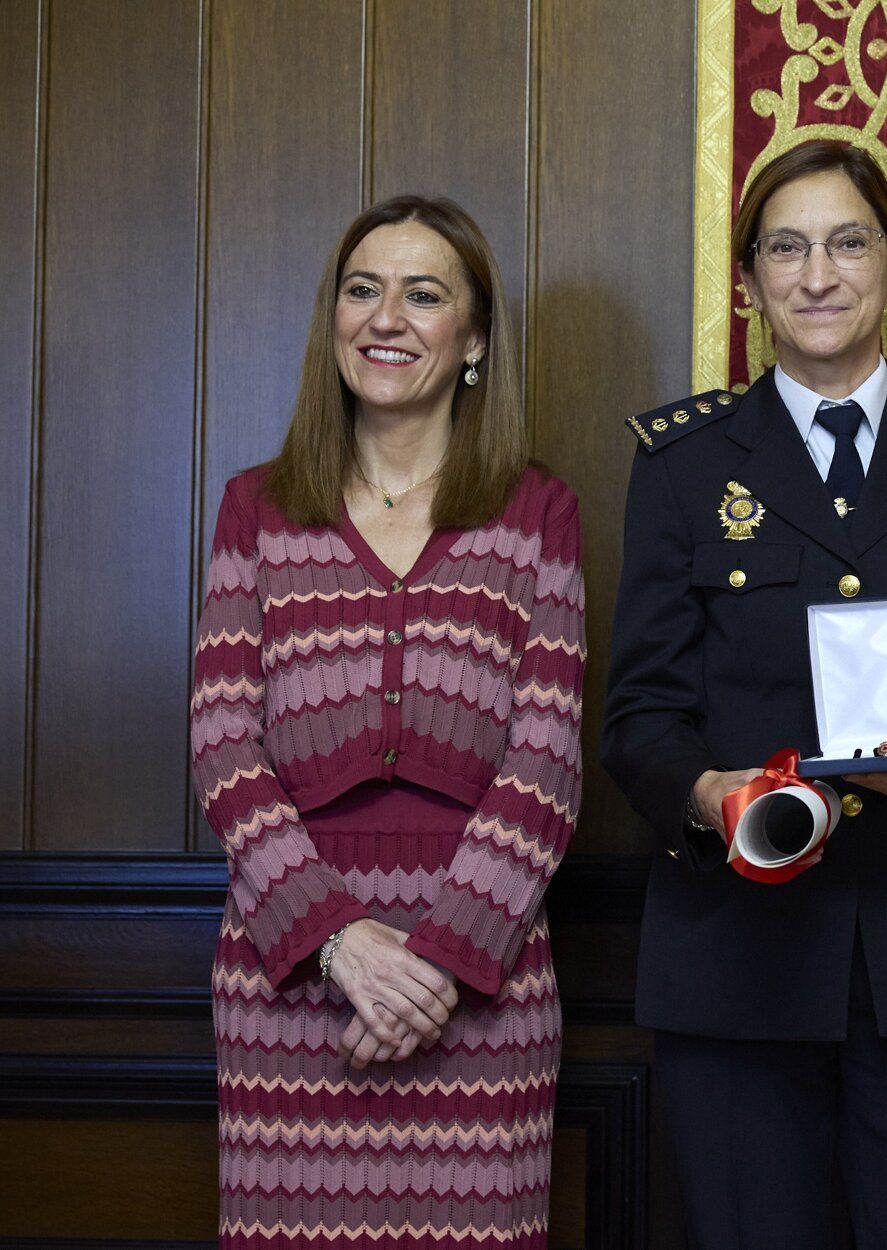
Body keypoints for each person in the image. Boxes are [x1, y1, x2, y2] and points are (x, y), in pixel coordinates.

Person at [602, 139, 887, 1249]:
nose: (819, 275)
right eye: (788, 248)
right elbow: (639, 717)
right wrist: (708, 792)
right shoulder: (684, 464)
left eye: (849, 243)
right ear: (751, 282)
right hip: (739, 960)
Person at [190, 196, 583, 1249]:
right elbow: (224, 744)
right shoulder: (257, 507)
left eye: (424, 293)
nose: (386, 316)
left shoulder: (536, 511)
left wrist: (439, 963)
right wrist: (339, 943)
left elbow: (546, 761)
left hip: (484, 983)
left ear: (475, 338)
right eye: (362, 290)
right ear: (332, 323)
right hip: (292, 981)